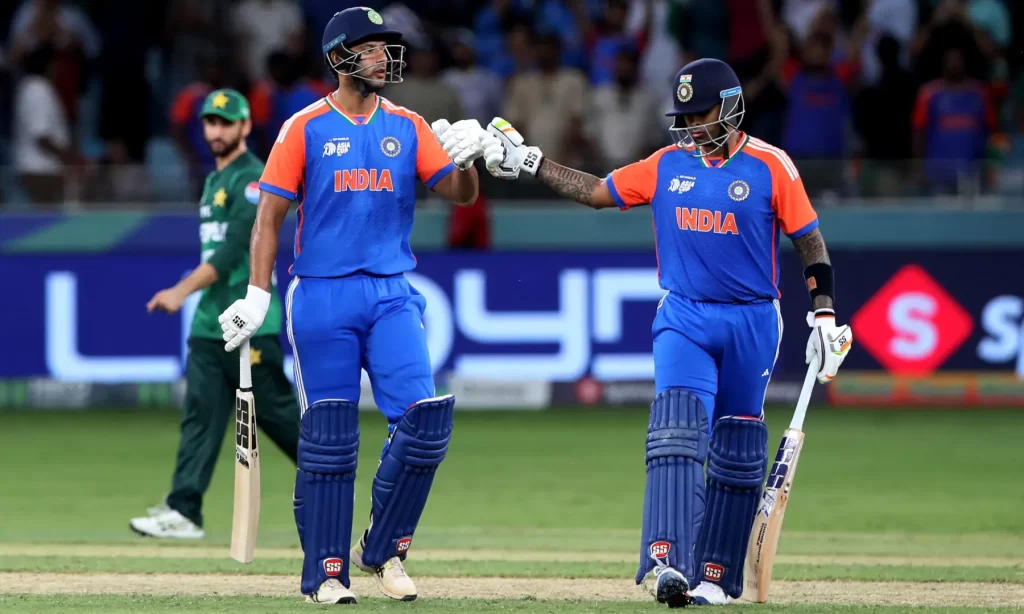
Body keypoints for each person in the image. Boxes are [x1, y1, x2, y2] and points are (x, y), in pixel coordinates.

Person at [451, 58, 853, 607]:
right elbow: (598, 191)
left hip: (753, 320)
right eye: (684, 117)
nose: (692, 126)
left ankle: (716, 577)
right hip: (684, 316)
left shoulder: (771, 166)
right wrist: (531, 161)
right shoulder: (666, 164)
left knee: (737, 450)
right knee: (677, 430)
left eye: (701, 114)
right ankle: (668, 563)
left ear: (731, 108)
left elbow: (810, 241)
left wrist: (824, 314)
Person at [215, 7, 503, 605]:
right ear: (338, 58)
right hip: (322, 294)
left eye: (385, 48)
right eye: (369, 47)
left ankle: (384, 549)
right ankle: (325, 573)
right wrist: (257, 295)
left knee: (425, 423)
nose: (382, 57)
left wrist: (470, 158)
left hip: (392, 292)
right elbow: (269, 217)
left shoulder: (408, 124)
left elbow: (457, 193)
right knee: (329, 437)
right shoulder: (304, 127)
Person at [130, 89, 299, 539]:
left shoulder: (253, 179)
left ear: (245, 126)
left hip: (249, 322)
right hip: (210, 324)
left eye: (226, 122)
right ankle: (183, 510)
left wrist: (179, 290)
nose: (216, 130)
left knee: (280, 419)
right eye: (210, 122)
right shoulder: (213, 181)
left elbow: (230, 252)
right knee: (200, 420)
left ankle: (335, 480)